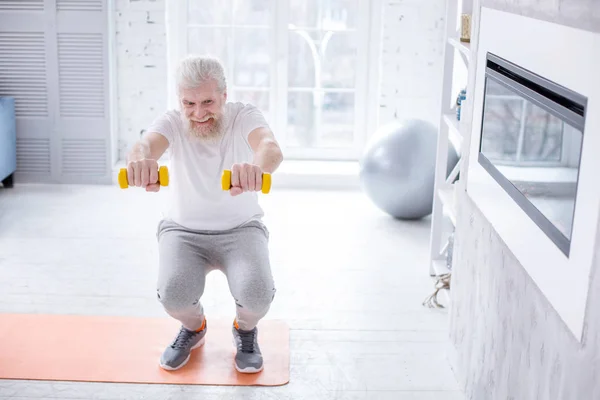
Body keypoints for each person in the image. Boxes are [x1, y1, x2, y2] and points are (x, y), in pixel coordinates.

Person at [125, 55, 283, 373]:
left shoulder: (244, 116)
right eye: (189, 103)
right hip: (183, 232)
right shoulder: (172, 121)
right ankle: (194, 328)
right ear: (180, 100)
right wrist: (141, 161)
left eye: (208, 101)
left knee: (257, 296)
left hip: (241, 229)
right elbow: (144, 145)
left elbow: (270, 147)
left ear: (224, 95)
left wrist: (256, 168)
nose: (198, 113)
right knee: (173, 295)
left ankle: (246, 330)